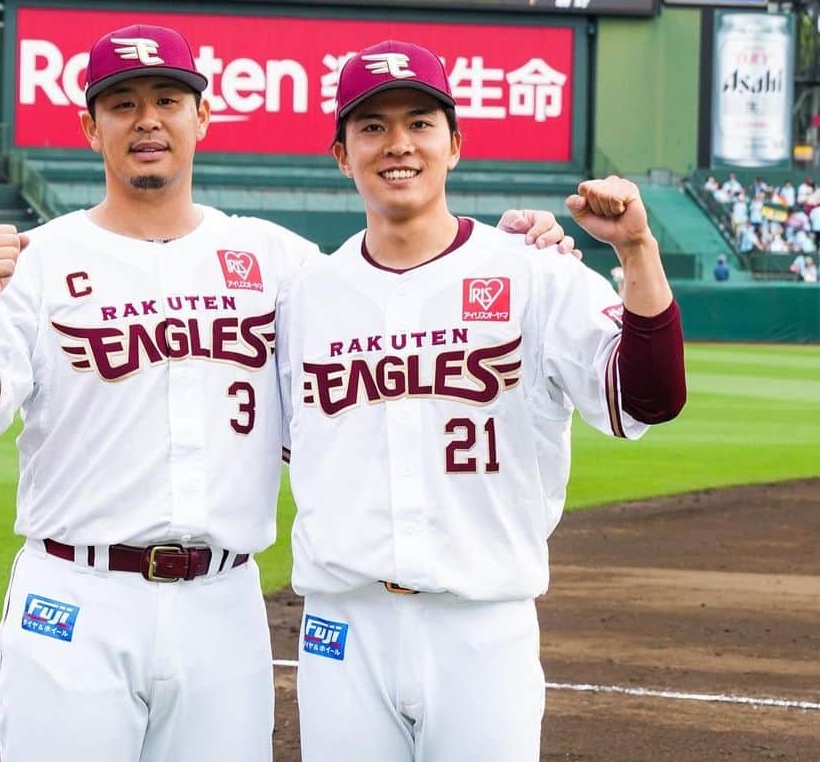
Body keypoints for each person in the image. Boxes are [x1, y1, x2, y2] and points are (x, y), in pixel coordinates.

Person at [0, 25, 575, 762]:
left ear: (202, 116)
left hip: (224, 602)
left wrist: (525, 246)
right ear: (89, 126)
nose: (147, 120)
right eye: (123, 103)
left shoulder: (278, 262)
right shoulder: (38, 261)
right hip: (77, 595)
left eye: (168, 99)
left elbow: (400, 283)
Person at [276, 39, 687, 762]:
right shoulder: (305, 296)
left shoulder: (532, 274)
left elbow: (649, 398)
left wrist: (637, 250)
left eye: (419, 123)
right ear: (342, 154)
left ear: (455, 145)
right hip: (342, 628)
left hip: (482, 623)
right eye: (372, 127)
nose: (397, 144)